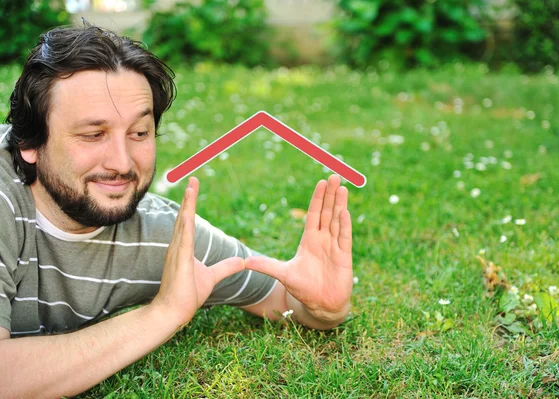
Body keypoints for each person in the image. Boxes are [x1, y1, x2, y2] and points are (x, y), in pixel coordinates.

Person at [0, 24, 354, 397]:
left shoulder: (161, 234)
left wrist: (323, 309)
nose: (122, 163)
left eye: (139, 133)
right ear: (29, 143)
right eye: (93, 135)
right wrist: (162, 314)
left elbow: (284, 301)